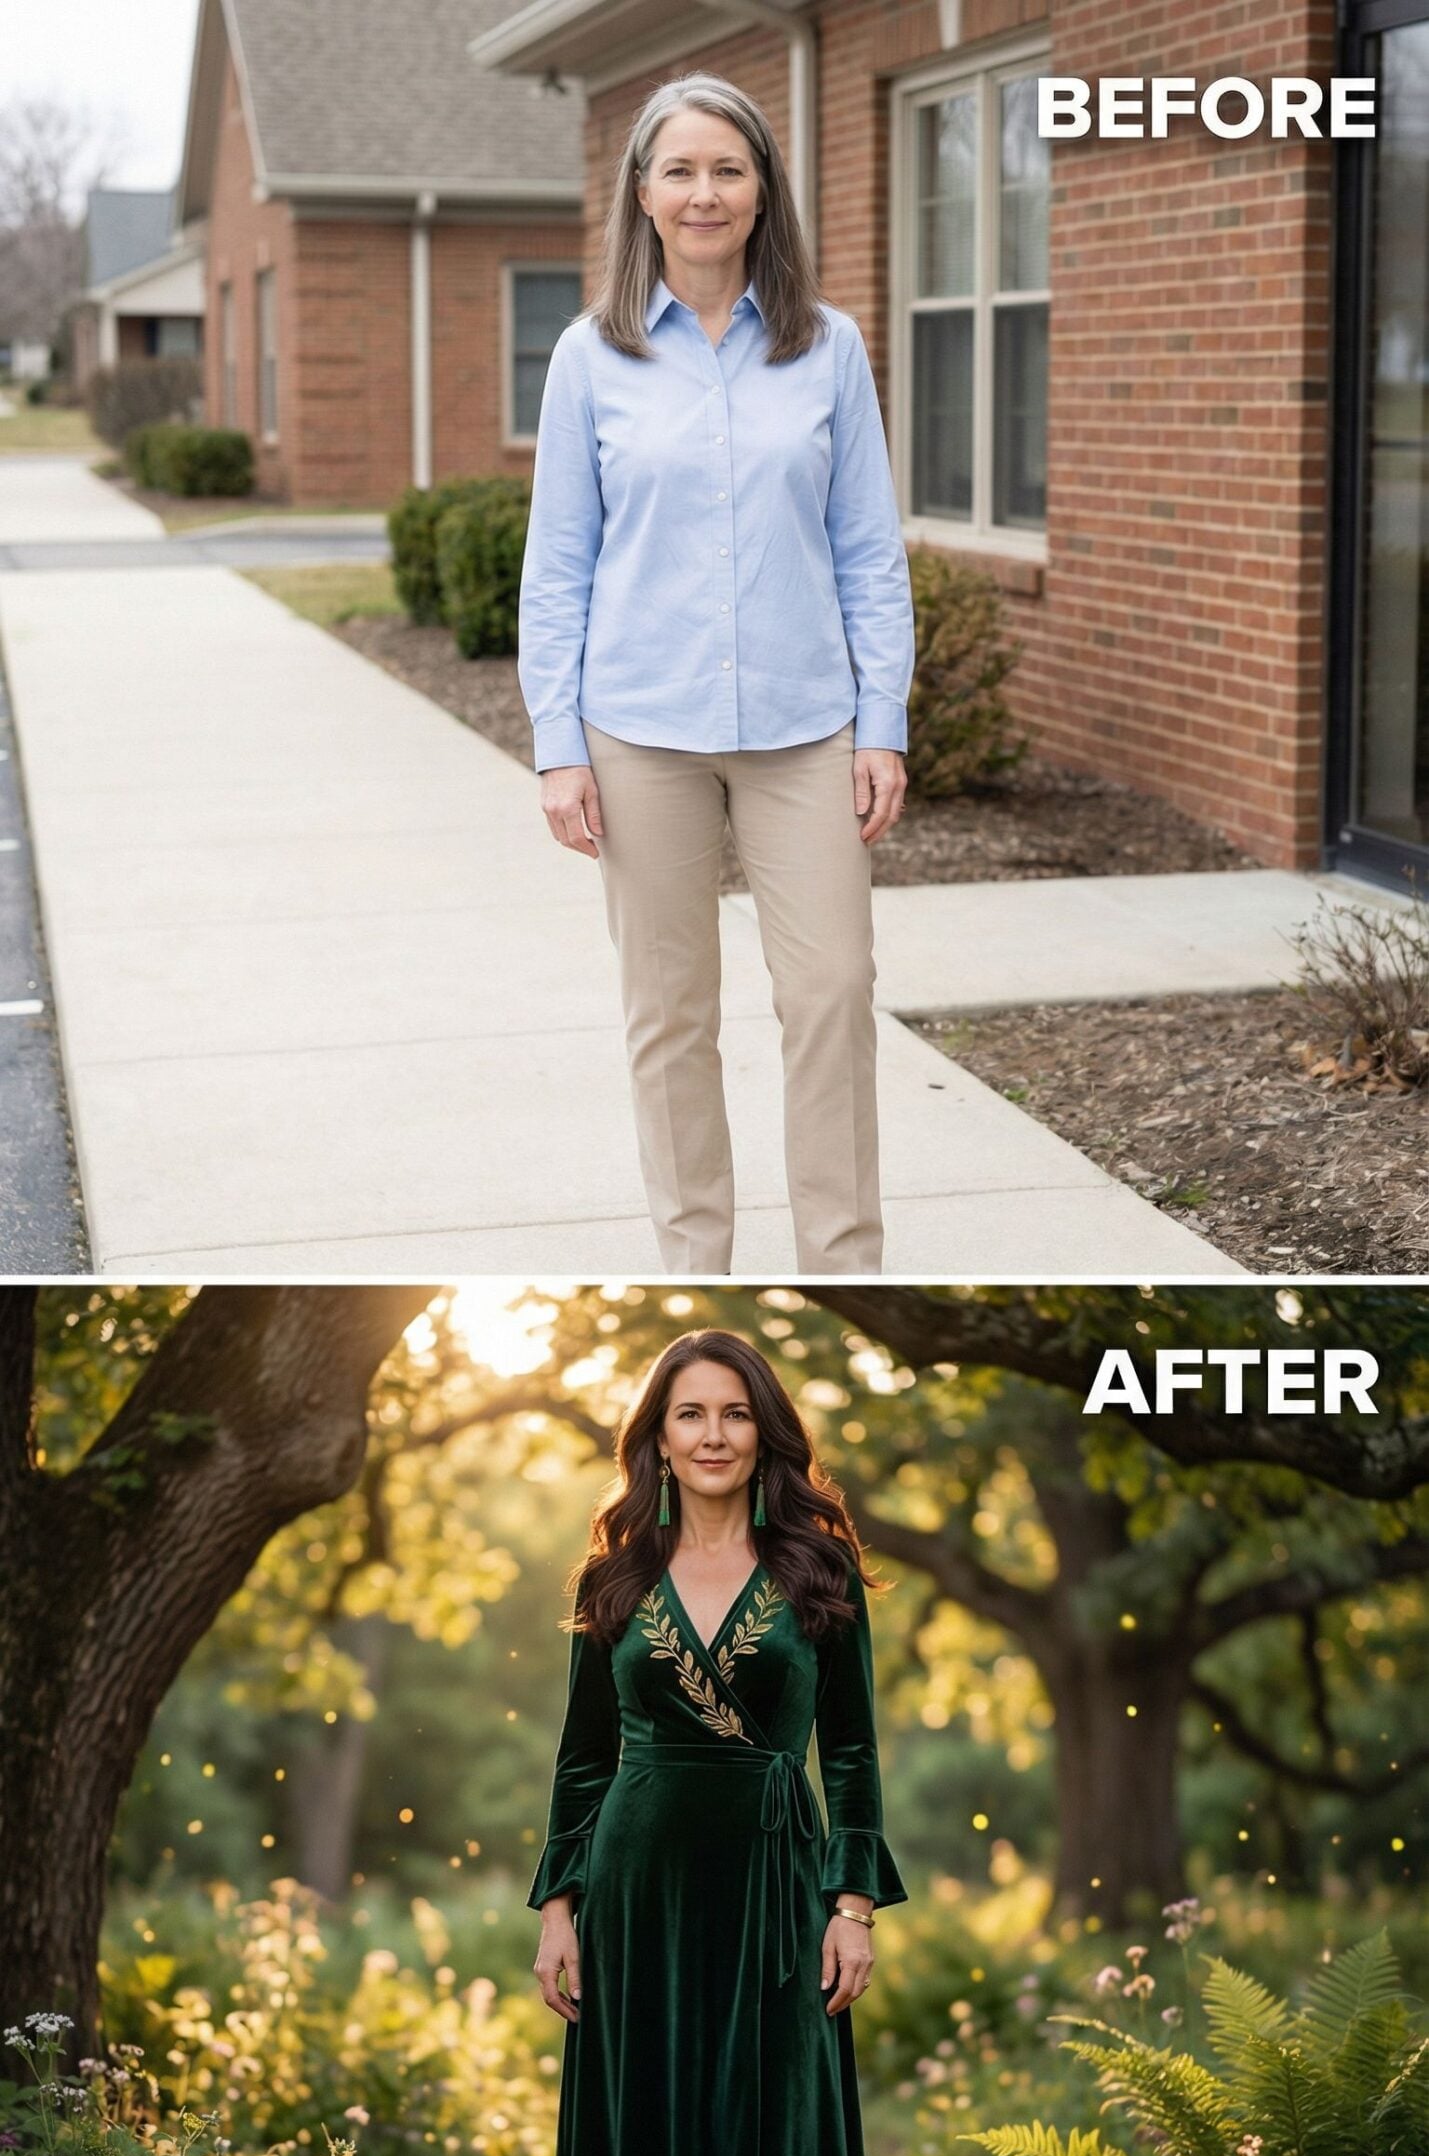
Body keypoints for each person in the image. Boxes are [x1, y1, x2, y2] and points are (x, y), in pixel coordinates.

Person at [517, 74, 916, 1278]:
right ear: (642, 194)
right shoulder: (589, 356)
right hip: (640, 732)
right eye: (680, 170)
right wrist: (557, 745)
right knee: (669, 1015)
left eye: (727, 170)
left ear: (761, 192)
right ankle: (695, 1263)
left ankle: (842, 1262)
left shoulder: (827, 346)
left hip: (806, 727)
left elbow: (868, 550)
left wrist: (881, 722)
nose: (705, 193)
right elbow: (558, 566)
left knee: (832, 991)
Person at [529, 1328, 908, 2156]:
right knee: (665, 2144)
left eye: (734, 1413)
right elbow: (583, 1759)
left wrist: (852, 1904)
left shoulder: (815, 1570)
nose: (711, 1434)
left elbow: (850, 1752)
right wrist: (559, 1908)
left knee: (791, 2145)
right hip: (637, 1895)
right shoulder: (614, 1581)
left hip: (777, 1888)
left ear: (764, 1433)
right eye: (687, 1413)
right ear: (655, 1436)